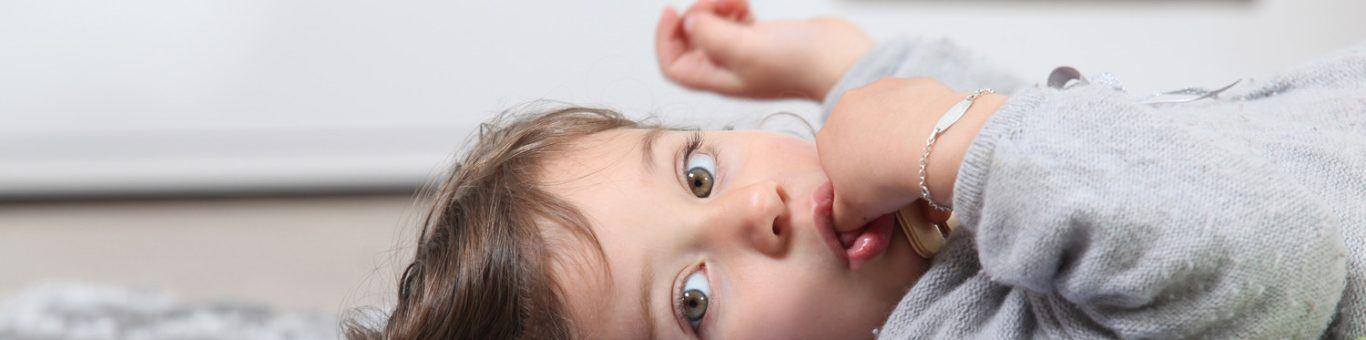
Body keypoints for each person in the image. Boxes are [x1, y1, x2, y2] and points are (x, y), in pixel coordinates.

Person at [346, 0, 1366, 338]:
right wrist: (953, 141)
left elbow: (1041, 138)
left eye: (697, 173)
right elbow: (1275, 259)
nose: (759, 209)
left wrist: (845, 70)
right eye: (694, 300)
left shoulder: (916, 260)